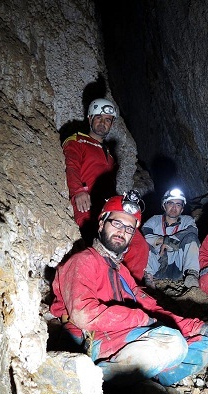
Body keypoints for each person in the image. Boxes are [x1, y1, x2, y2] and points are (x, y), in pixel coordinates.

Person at [51, 194, 208, 386]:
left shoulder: (121, 271)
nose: (122, 232)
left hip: (127, 334)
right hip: (96, 338)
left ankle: (143, 380)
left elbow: (153, 310)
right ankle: (93, 380)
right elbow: (83, 315)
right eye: (116, 223)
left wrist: (199, 327)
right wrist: (140, 318)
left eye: (128, 228)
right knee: (173, 342)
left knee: (201, 346)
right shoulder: (83, 261)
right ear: (101, 224)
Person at [61, 98, 148, 280]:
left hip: (108, 207)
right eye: (99, 117)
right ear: (90, 118)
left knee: (139, 245)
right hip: (88, 204)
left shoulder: (109, 154)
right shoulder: (77, 141)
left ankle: (130, 286)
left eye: (108, 119)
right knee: (93, 243)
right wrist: (78, 191)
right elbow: (72, 166)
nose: (103, 122)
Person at [141, 188, 201, 289]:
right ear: (164, 206)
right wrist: (164, 240)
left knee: (192, 238)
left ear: (182, 209)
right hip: (157, 263)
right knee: (142, 244)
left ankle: (191, 275)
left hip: (179, 265)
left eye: (178, 204)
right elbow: (144, 235)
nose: (174, 207)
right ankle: (148, 277)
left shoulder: (187, 220)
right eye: (170, 203)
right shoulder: (154, 220)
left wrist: (169, 242)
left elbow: (192, 232)